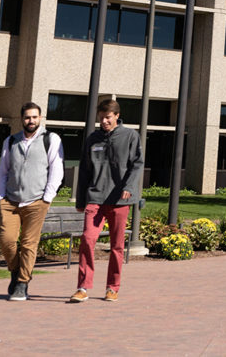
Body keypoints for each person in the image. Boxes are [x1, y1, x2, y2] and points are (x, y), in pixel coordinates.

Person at [71, 99, 142, 303]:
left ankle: (112, 288)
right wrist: (81, 199)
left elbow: (137, 164)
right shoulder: (92, 139)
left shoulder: (130, 136)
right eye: (101, 118)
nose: (104, 121)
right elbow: (84, 170)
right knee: (87, 239)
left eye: (108, 117)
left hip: (119, 200)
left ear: (117, 116)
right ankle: (83, 287)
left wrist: (129, 187)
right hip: (95, 198)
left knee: (117, 246)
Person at [0, 101, 63, 301]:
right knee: (6, 240)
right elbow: (3, 172)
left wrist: (47, 198)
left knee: (28, 244)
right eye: (27, 117)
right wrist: (0, 197)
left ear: (40, 118)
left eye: (34, 117)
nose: (31, 120)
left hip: (36, 201)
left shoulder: (51, 139)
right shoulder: (11, 141)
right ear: (22, 119)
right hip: (10, 201)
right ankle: (15, 271)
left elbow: (56, 170)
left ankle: (22, 283)